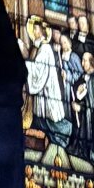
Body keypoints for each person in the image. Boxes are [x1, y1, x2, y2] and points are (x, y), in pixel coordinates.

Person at [18, 15, 72, 147]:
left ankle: (66, 131)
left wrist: (25, 62)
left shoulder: (45, 48)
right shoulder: (37, 48)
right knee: (42, 120)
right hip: (42, 91)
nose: (35, 32)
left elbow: (38, 70)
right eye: (34, 29)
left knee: (52, 120)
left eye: (36, 29)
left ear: (42, 31)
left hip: (48, 91)